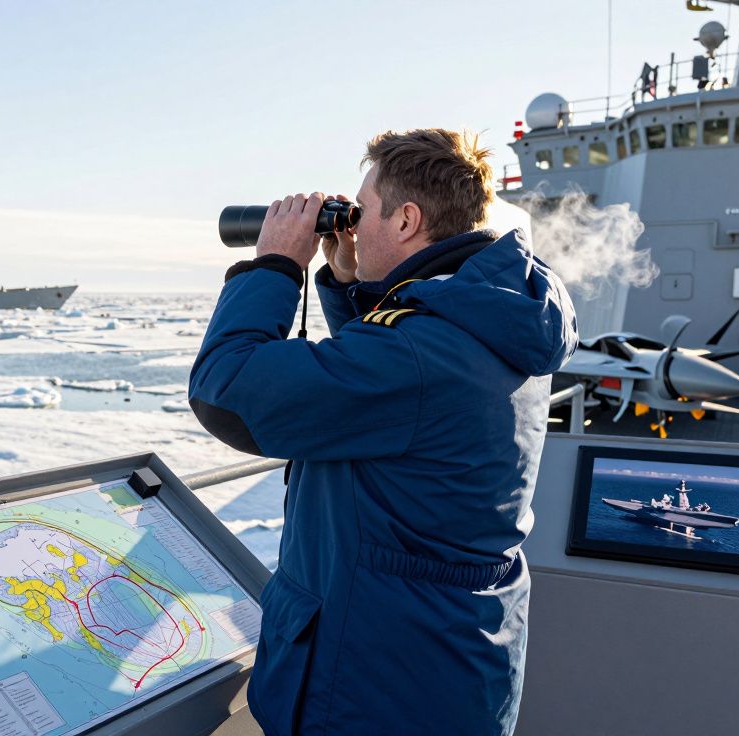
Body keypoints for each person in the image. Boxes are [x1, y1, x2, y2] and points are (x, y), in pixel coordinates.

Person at [188, 129, 578, 735]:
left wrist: (273, 265)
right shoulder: (491, 313)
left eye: (364, 210)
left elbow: (229, 392)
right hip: (437, 660)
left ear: (407, 221)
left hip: (373, 683)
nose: (352, 223)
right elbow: (386, 399)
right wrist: (350, 287)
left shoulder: (424, 353)